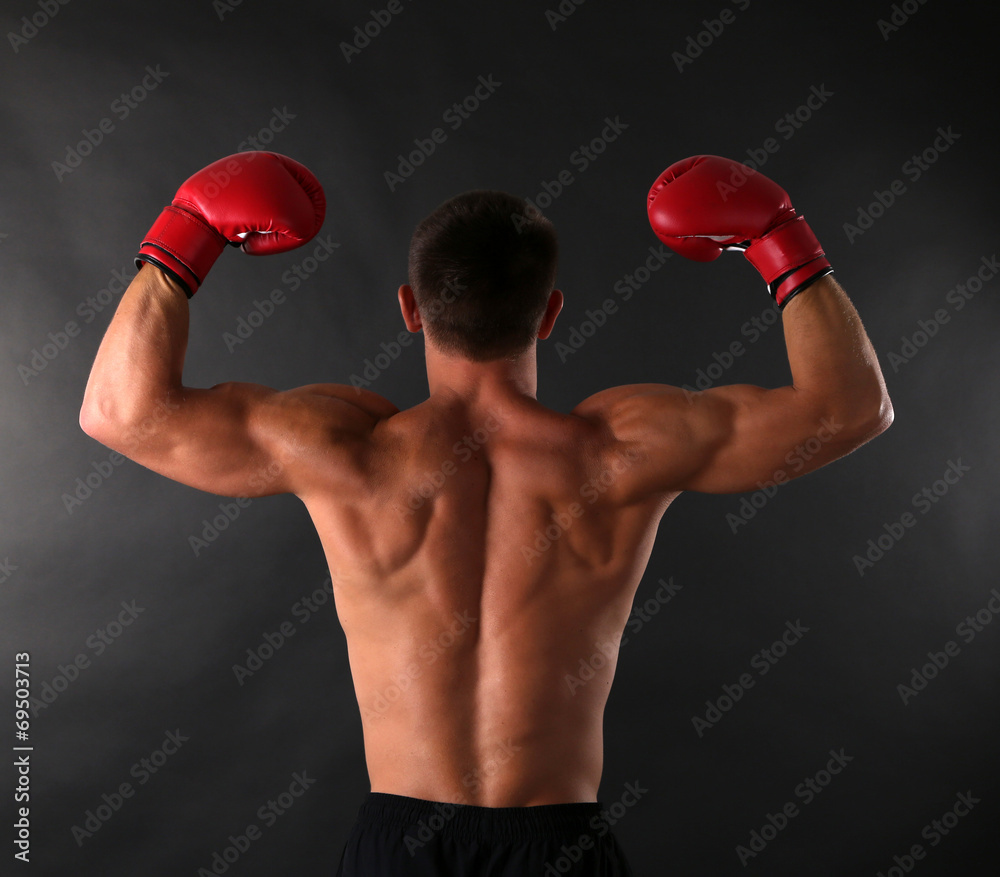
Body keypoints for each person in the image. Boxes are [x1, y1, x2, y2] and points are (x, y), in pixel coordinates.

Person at [80, 151, 892, 876]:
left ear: (410, 307)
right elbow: (852, 408)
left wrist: (183, 236)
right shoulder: (623, 447)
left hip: (399, 845)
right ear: (549, 312)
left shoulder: (345, 448)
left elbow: (119, 411)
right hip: (559, 843)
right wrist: (781, 242)